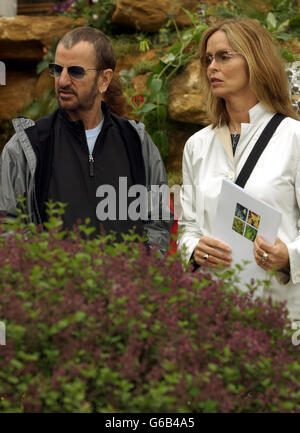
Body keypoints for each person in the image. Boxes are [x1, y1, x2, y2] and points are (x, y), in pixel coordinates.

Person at [0, 26, 172, 253]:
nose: (62, 81)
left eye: (75, 72)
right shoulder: (26, 147)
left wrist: (146, 265)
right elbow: (7, 226)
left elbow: (159, 216)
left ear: (104, 79)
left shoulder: (137, 142)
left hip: (128, 286)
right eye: (57, 69)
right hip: (53, 286)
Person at [177, 18, 300, 319]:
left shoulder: (293, 138)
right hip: (215, 310)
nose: (211, 68)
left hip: (280, 311)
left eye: (223, 56)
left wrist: (289, 256)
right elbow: (188, 228)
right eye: (208, 59)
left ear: (255, 61)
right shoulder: (197, 145)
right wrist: (195, 248)